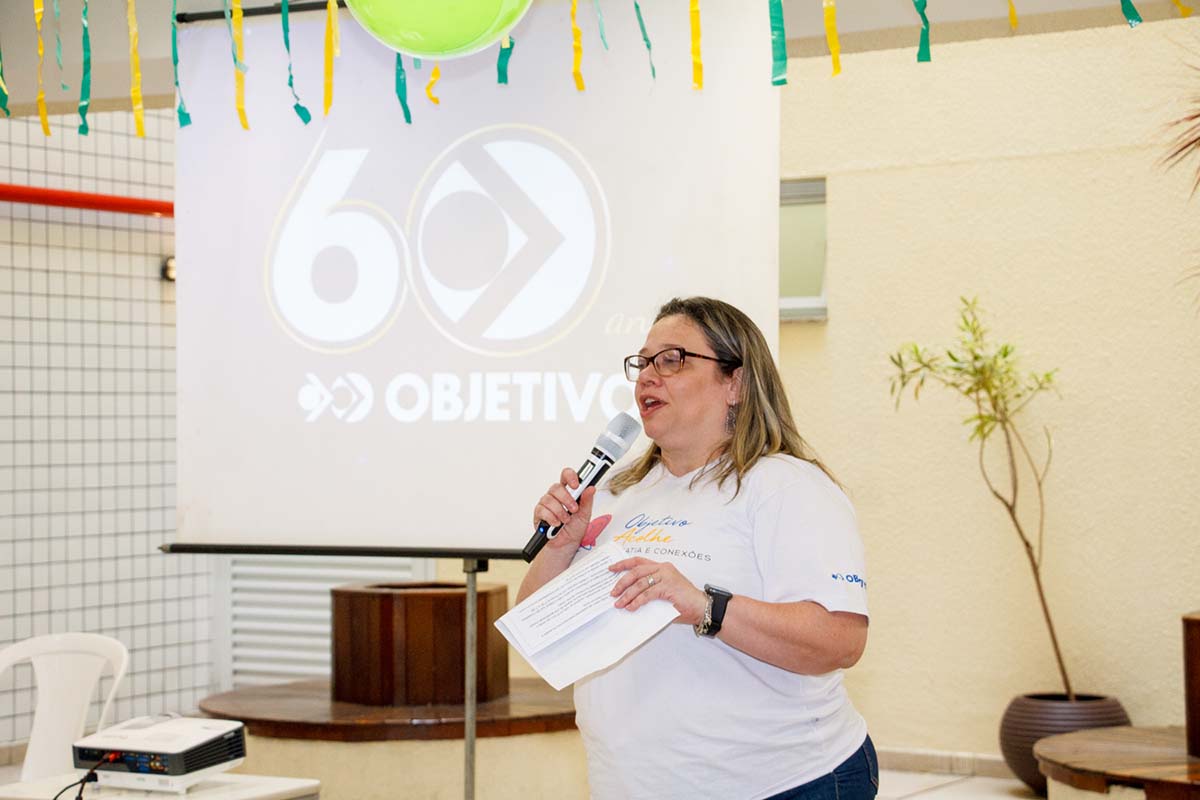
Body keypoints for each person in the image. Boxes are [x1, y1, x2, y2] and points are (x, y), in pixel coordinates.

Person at [517, 296, 875, 800]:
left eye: (672, 360)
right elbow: (535, 633)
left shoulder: (787, 487)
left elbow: (840, 640)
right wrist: (562, 546)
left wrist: (705, 606)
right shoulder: (616, 491)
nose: (647, 376)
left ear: (736, 383)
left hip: (783, 784)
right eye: (643, 362)